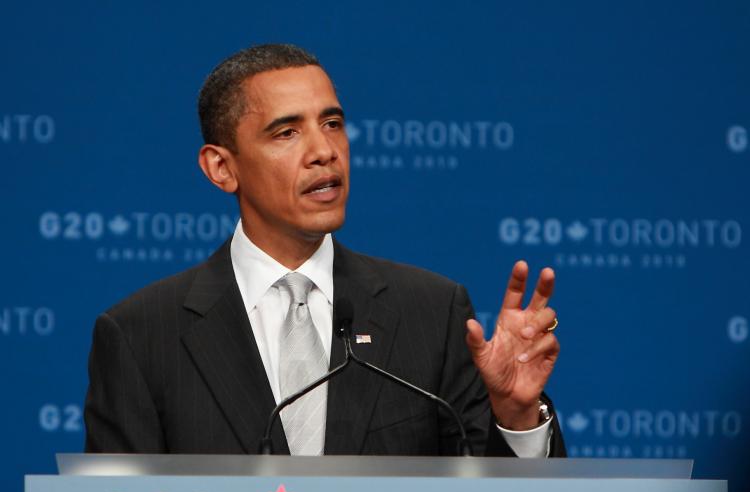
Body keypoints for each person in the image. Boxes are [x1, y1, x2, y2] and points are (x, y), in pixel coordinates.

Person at [84, 44, 565, 458]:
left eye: (332, 123)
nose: (324, 150)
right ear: (220, 168)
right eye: (287, 132)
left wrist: (517, 415)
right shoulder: (142, 337)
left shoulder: (432, 314)